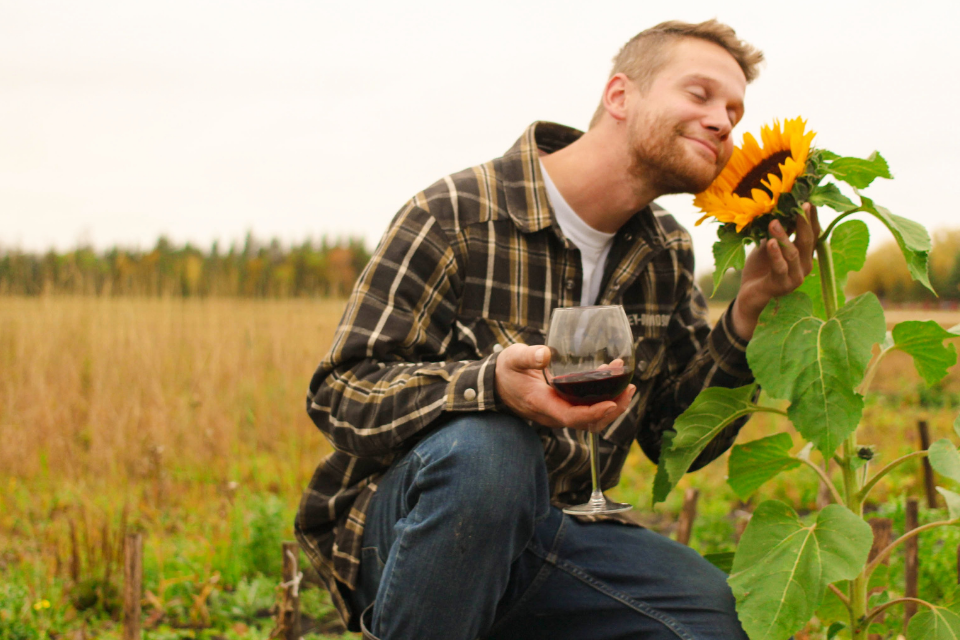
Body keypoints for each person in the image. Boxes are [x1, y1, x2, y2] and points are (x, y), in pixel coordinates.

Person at [296, 19, 817, 640]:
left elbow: (676, 437)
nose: (724, 123)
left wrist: (746, 314)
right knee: (493, 450)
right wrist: (488, 385)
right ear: (620, 96)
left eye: (734, 111)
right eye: (699, 94)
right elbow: (340, 393)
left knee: (713, 620)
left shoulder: (667, 251)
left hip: (560, 531)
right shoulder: (458, 213)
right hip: (409, 528)